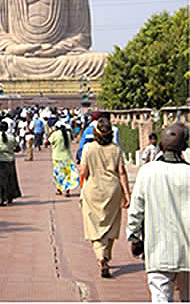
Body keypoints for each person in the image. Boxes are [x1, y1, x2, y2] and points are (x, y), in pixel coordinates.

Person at [127, 123, 190, 302]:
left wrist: (133, 236)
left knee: (160, 297)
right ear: (184, 147)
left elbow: (136, 209)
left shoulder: (148, 172)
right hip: (188, 250)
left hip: (159, 249)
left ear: (160, 146)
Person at [80, 117, 130, 278]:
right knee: (111, 223)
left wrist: (83, 187)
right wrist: (127, 194)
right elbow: (122, 173)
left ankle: (101, 256)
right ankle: (107, 253)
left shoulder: (88, 148)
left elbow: (83, 172)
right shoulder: (116, 150)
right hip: (113, 190)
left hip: (93, 189)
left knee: (94, 226)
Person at [48, 121, 80, 197]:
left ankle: (59, 190)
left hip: (57, 157)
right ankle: (67, 190)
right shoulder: (68, 134)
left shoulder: (55, 134)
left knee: (59, 174)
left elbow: (48, 141)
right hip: (67, 157)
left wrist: (51, 132)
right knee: (67, 174)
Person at [0, 121, 22, 206]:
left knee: (1, 180)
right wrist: (10, 150)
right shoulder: (11, 137)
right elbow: (18, 148)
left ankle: (2, 198)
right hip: (10, 160)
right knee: (11, 179)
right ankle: (10, 197)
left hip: (0, 160)